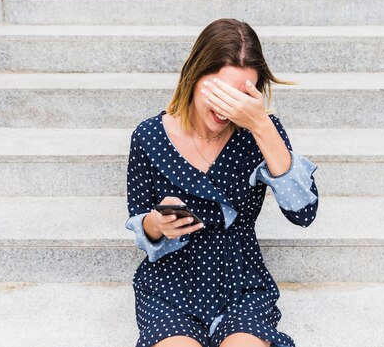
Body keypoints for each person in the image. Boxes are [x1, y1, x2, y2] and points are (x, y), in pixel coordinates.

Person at [125, 18, 319, 347]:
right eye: (222, 91)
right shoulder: (149, 137)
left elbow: (303, 213)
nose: (229, 107)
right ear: (195, 75)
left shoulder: (258, 131)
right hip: (173, 283)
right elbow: (140, 220)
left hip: (241, 278)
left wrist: (261, 125)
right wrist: (158, 223)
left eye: (243, 95)